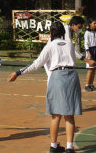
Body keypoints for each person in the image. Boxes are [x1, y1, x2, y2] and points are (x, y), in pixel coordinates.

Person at [8, 22, 82, 153]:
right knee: (69, 115)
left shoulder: (50, 45)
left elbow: (36, 64)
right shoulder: (70, 44)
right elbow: (74, 61)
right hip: (72, 75)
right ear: (63, 33)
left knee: (56, 115)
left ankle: (54, 146)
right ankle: (70, 148)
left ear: (50, 34)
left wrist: (18, 72)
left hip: (57, 76)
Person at [84, 18, 96, 91]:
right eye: (94, 23)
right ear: (90, 24)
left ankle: (91, 84)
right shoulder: (87, 32)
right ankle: (87, 85)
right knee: (90, 69)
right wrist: (88, 52)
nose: (95, 25)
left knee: (94, 69)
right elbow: (86, 44)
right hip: (90, 50)